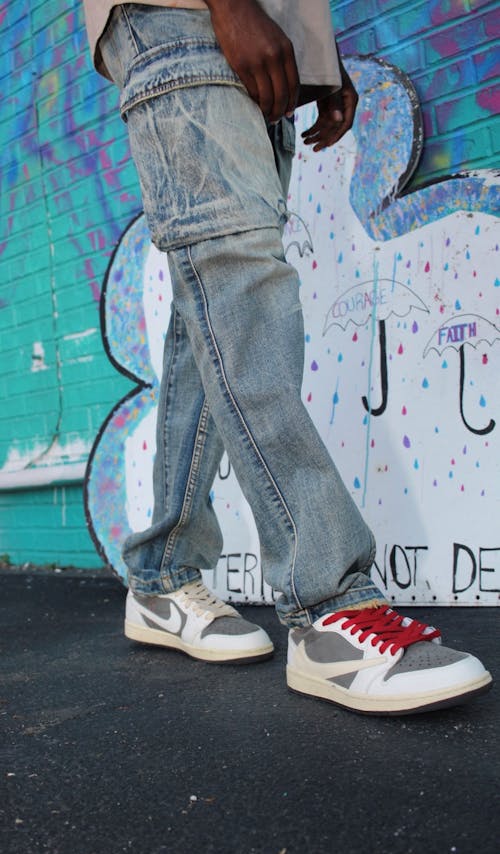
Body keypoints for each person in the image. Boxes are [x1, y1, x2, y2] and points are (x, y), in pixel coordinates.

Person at [82, 0, 492, 715]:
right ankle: (329, 604)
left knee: (209, 299)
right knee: (241, 283)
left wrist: (318, 59)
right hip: (184, 17)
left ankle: (162, 576)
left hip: (258, 42)